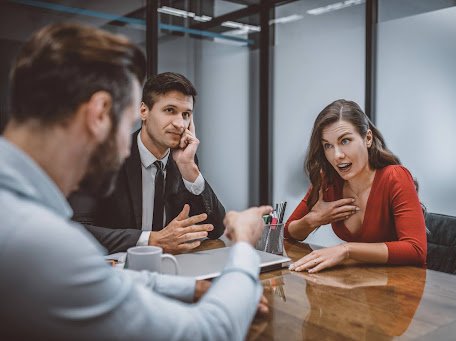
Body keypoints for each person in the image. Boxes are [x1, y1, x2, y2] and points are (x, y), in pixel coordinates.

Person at [0, 23, 271, 339]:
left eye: (186, 115)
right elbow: (208, 332)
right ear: (100, 114)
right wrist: (243, 247)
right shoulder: (41, 239)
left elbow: (100, 276)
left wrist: (186, 288)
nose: (125, 145)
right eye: (126, 120)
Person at [69, 72, 225, 254]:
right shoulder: (105, 157)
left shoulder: (184, 160)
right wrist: (150, 240)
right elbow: (77, 229)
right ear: (143, 111)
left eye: (186, 114)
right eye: (170, 110)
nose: (180, 124)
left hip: (171, 267)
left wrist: (189, 169)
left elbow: (216, 229)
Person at [286, 99, 427, 273]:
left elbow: (416, 250)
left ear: (367, 138)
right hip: (358, 284)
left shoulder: (395, 177)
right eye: (328, 145)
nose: (337, 155)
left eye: (345, 141)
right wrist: (314, 219)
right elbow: (289, 231)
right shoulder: (328, 181)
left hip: (404, 288)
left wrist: (347, 250)